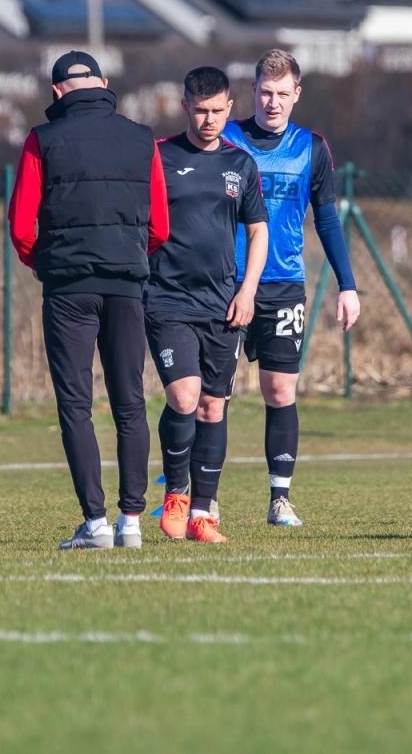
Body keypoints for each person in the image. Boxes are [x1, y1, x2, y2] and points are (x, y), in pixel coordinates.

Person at [8, 51, 169, 550]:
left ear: (57, 92)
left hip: (68, 288)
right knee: (130, 402)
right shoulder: (143, 139)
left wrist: (47, 263)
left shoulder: (42, 139)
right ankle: (131, 521)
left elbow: (21, 226)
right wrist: (127, 255)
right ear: (104, 83)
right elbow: (161, 226)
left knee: (76, 405)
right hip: (127, 284)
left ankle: (95, 523)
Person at [220, 49, 360, 527]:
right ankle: (199, 498)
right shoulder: (226, 138)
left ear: (297, 94)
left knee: (280, 390)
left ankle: (279, 499)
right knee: (211, 394)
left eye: (282, 93)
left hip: (283, 284)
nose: (273, 102)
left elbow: (327, 219)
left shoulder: (311, 148)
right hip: (226, 282)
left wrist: (347, 285)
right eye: (265, 92)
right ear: (253, 91)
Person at [147, 66, 269, 544]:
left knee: (213, 407)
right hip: (167, 300)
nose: (209, 119)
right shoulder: (158, 158)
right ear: (185, 107)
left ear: (230, 107)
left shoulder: (241, 165)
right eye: (200, 110)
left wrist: (248, 290)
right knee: (184, 397)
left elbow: (257, 231)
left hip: (223, 304)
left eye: (218, 110)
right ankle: (176, 493)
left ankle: (203, 514)